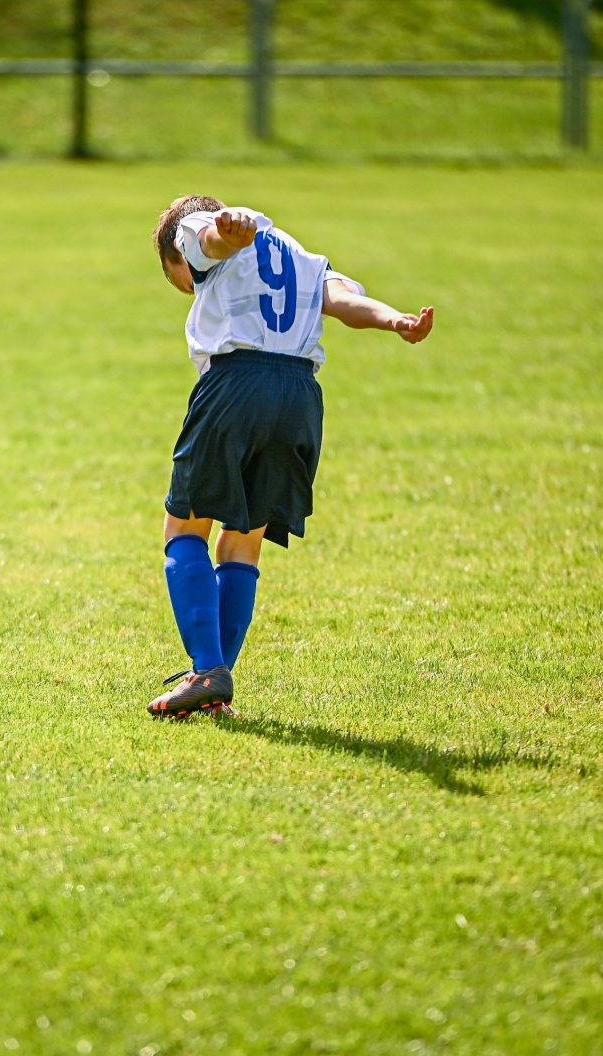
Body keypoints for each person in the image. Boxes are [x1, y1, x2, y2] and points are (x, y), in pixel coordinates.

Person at [147, 196, 435, 719]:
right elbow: (345, 301)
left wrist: (224, 237)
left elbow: (209, 239)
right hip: (300, 397)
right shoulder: (302, 256)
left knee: (185, 529)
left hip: (237, 386)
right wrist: (396, 320)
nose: (192, 288)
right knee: (243, 541)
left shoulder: (196, 227)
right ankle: (211, 686)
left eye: (183, 281)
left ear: (177, 256)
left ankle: (208, 670)